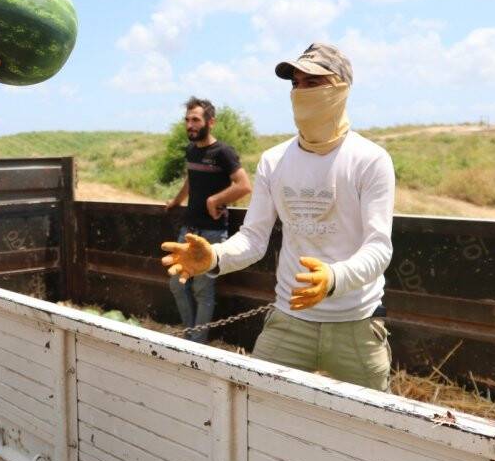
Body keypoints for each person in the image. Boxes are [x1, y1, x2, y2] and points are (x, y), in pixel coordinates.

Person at [160, 43, 395, 390]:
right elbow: (254, 238)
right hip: (290, 318)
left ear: (341, 88)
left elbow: (379, 248)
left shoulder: (370, 160)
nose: (301, 92)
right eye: (295, 84)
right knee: (255, 407)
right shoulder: (274, 160)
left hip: (355, 324)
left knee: (377, 430)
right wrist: (215, 257)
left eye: (313, 83)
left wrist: (333, 277)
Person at [164, 97, 251, 341]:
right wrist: (176, 201)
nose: (190, 125)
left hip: (212, 233)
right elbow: (191, 179)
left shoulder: (223, 152)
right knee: (177, 285)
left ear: (210, 122)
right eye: (187, 120)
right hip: (188, 230)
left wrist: (214, 200)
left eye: (195, 120)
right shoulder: (191, 150)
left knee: (203, 290)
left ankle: (196, 344)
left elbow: (244, 185)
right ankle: (191, 334)